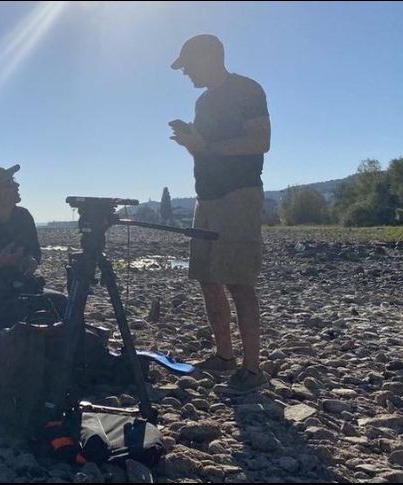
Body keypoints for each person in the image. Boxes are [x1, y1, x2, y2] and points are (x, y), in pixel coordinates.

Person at [169, 34, 271, 395]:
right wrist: (192, 144)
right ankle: (225, 356)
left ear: (208, 58)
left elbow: (261, 141)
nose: (186, 73)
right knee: (207, 277)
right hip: (207, 197)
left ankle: (252, 368)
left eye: (188, 66)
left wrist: (206, 145)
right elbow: (204, 153)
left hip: (238, 195)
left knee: (238, 280)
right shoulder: (203, 101)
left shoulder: (247, 90)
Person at [0, 164, 67, 385]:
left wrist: (30, 261)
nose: (16, 186)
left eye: (14, 182)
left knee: (62, 305)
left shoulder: (23, 217)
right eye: (8, 183)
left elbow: (35, 252)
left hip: (24, 288)